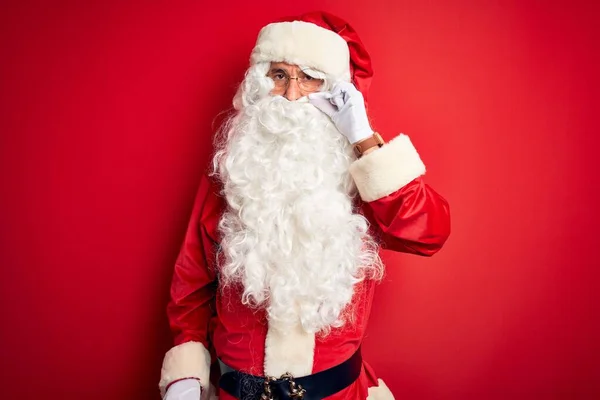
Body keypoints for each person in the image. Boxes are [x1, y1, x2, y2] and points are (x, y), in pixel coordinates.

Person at [159, 11, 451, 400]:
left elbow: (429, 232)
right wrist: (186, 379)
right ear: (258, 84)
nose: (292, 95)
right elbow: (192, 282)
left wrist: (363, 139)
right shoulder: (233, 172)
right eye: (279, 75)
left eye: (310, 77)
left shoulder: (360, 174)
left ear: (337, 92)